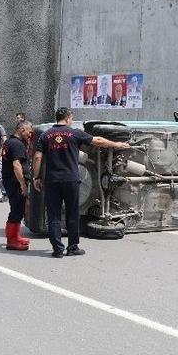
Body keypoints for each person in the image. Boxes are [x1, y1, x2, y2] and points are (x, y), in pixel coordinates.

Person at [32, 107, 131, 258]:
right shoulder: (74, 133)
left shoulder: (45, 135)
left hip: (52, 180)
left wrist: (36, 177)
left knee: (54, 215)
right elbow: (97, 140)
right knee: (72, 213)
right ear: (67, 118)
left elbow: (38, 157)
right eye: (71, 118)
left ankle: (57, 249)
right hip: (71, 180)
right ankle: (72, 247)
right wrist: (116, 144)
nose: (71, 121)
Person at [2, 120, 33, 251]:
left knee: (18, 210)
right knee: (16, 211)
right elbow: (16, 165)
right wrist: (23, 185)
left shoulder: (9, 142)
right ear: (21, 130)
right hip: (16, 183)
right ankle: (11, 241)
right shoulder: (17, 144)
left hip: (11, 181)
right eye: (29, 131)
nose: (30, 134)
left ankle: (15, 236)